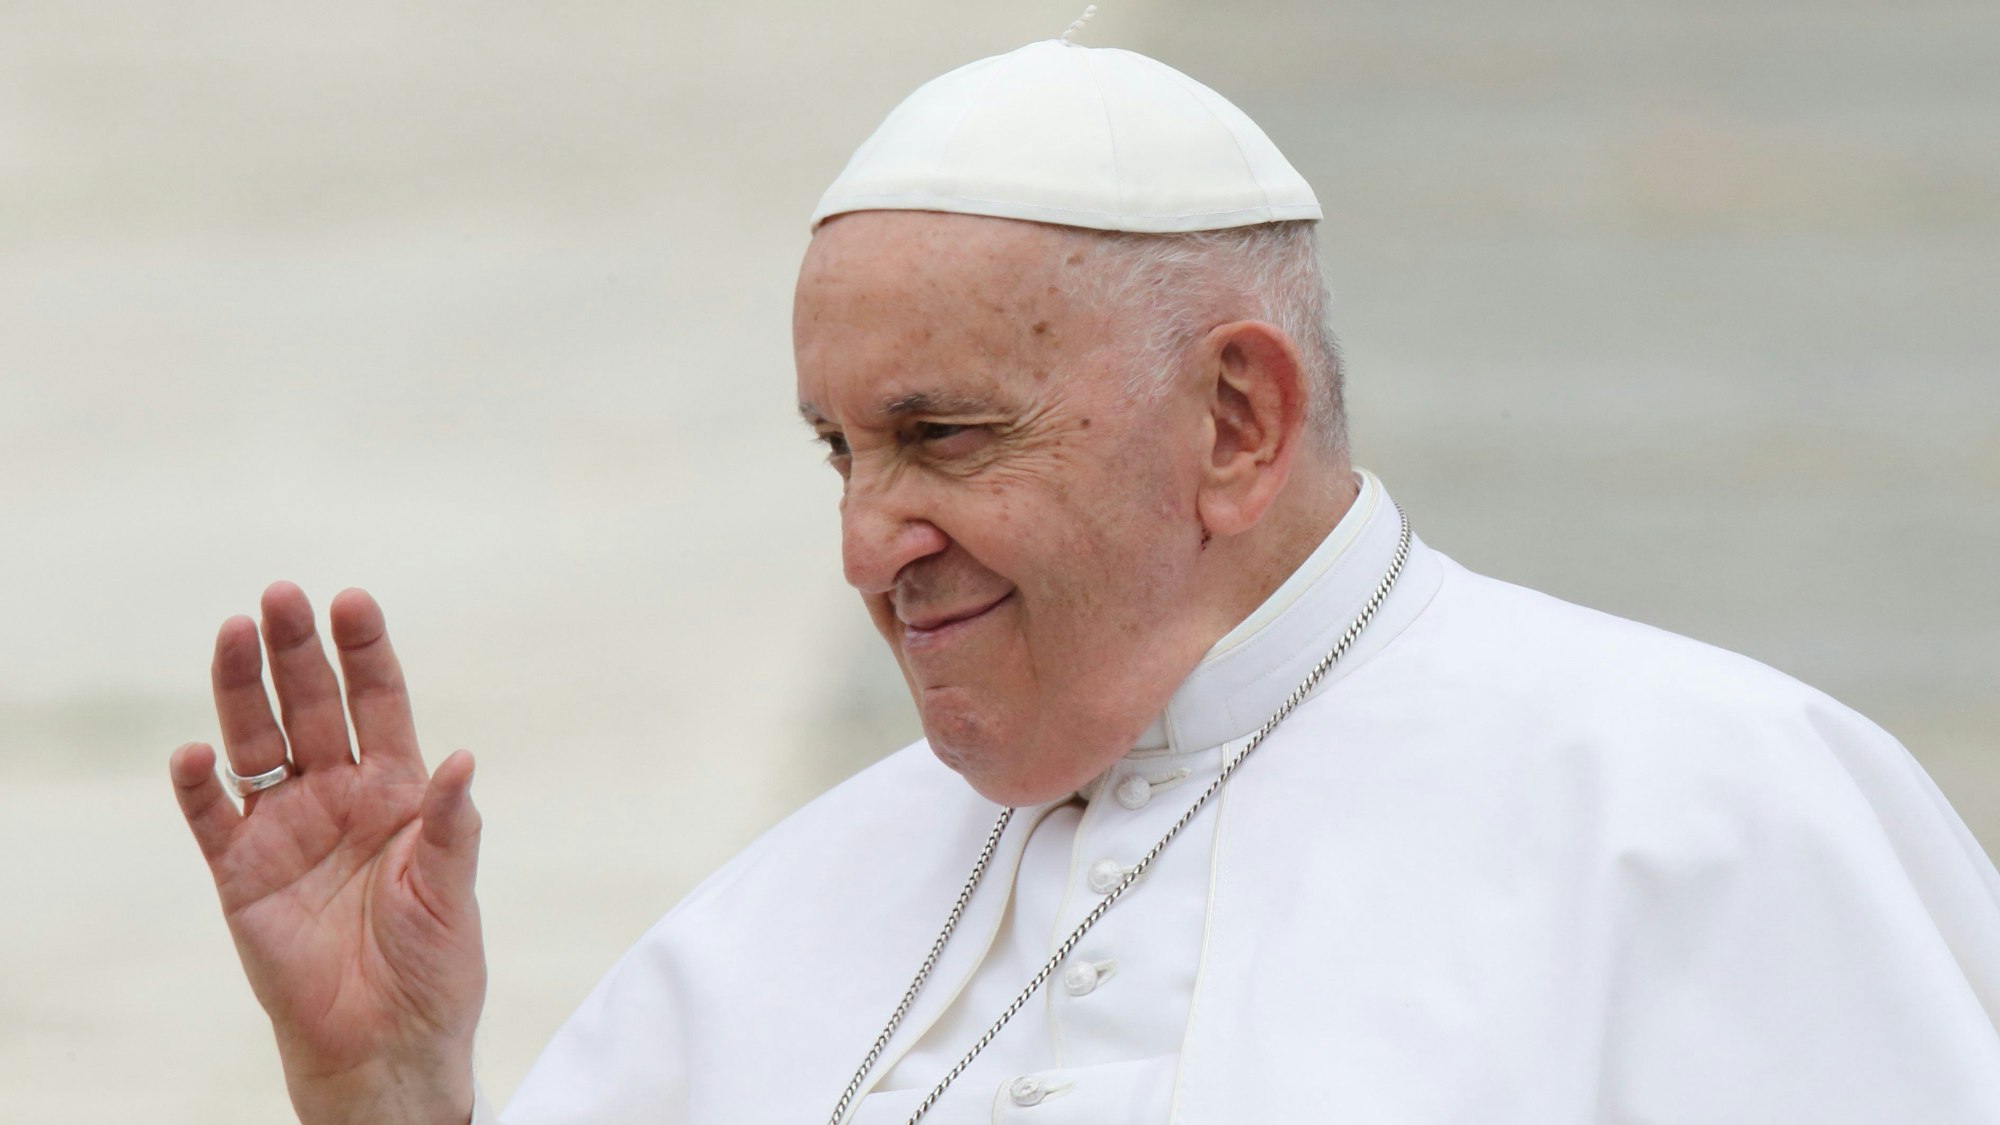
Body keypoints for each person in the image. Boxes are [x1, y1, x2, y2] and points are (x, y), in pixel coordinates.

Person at [169, 37, 2000, 1125]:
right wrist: (395, 1104)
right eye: (840, 450)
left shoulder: (1706, 811)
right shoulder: (781, 920)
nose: (867, 541)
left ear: (1233, 419)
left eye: (945, 437)